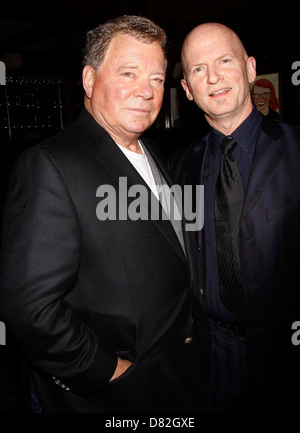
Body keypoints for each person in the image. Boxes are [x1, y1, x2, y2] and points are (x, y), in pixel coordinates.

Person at [0, 15, 210, 413]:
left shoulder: (152, 152)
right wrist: (109, 372)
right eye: (128, 73)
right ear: (89, 80)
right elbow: (29, 309)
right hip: (112, 396)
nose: (146, 91)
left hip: (175, 379)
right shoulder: (50, 164)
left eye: (155, 78)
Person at [168, 22, 300, 412]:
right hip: (212, 355)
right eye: (198, 69)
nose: (213, 76)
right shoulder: (177, 169)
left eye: (225, 60)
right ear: (188, 90)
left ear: (250, 68)